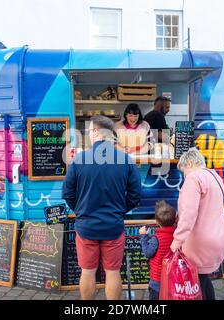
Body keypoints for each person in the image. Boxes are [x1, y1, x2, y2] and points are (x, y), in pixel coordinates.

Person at [61, 115, 141, 300]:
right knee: (113, 272)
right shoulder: (125, 160)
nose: (88, 134)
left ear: (96, 132)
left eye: (89, 131)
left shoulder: (79, 160)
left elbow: (67, 193)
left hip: (86, 226)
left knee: (87, 272)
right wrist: (120, 210)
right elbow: (136, 196)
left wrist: (80, 210)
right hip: (113, 226)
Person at [170, 147, 224, 300]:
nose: (184, 176)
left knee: (197, 283)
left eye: (184, 171)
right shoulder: (214, 176)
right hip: (220, 238)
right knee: (203, 280)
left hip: (200, 242)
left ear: (190, 162)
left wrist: (177, 240)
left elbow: (188, 214)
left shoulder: (194, 178)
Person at [139, 200, 176, 300]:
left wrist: (144, 236)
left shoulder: (156, 239)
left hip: (157, 281)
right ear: (175, 219)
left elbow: (147, 253)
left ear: (157, 221)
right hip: (174, 279)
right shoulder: (178, 235)